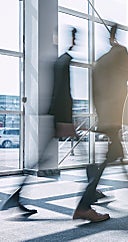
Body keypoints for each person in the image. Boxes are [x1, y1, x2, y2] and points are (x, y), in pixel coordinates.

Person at [72, 25, 128, 222]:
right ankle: (83, 205)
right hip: (114, 115)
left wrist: (102, 115)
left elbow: (95, 91)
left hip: (105, 116)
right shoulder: (120, 53)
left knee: (116, 154)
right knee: (111, 157)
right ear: (116, 36)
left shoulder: (100, 62)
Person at [0, 27, 79, 215]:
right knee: (48, 157)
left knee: (44, 157)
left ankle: (17, 196)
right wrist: (66, 121)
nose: (77, 41)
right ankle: (89, 197)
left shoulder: (59, 61)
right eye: (75, 37)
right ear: (70, 39)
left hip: (57, 116)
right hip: (61, 118)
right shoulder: (65, 61)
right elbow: (63, 93)